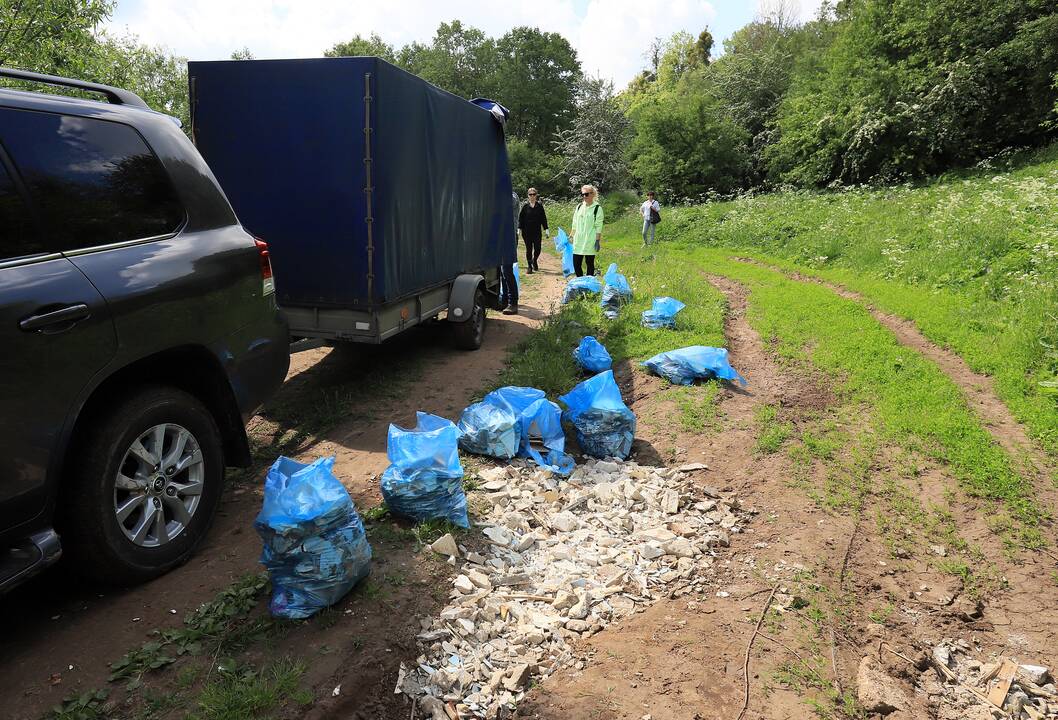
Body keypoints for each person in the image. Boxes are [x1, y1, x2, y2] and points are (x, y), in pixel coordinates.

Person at [570, 184, 604, 277]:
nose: (584, 196)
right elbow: (575, 223)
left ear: (592, 194)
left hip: (590, 239)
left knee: (589, 263)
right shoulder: (579, 207)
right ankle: (580, 282)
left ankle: (589, 283)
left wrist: (597, 241)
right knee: (576, 263)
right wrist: (571, 235)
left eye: (587, 194)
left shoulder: (597, 208)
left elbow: (598, 226)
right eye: (583, 194)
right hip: (578, 239)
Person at [518, 187, 549, 273]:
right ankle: (529, 266)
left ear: (536, 195)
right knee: (529, 249)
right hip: (526, 232)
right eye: (530, 194)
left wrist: (546, 229)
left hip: (537, 232)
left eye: (533, 194)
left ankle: (534, 260)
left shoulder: (539, 206)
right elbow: (521, 218)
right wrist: (519, 228)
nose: (532, 196)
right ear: (528, 196)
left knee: (538, 249)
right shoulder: (525, 206)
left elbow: (543, 218)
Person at [500, 190, 519, 314]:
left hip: (508, 238)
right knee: (501, 271)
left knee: (507, 270)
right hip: (499, 238)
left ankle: (513, 302)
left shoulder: (512, 196)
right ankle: (505, 300)